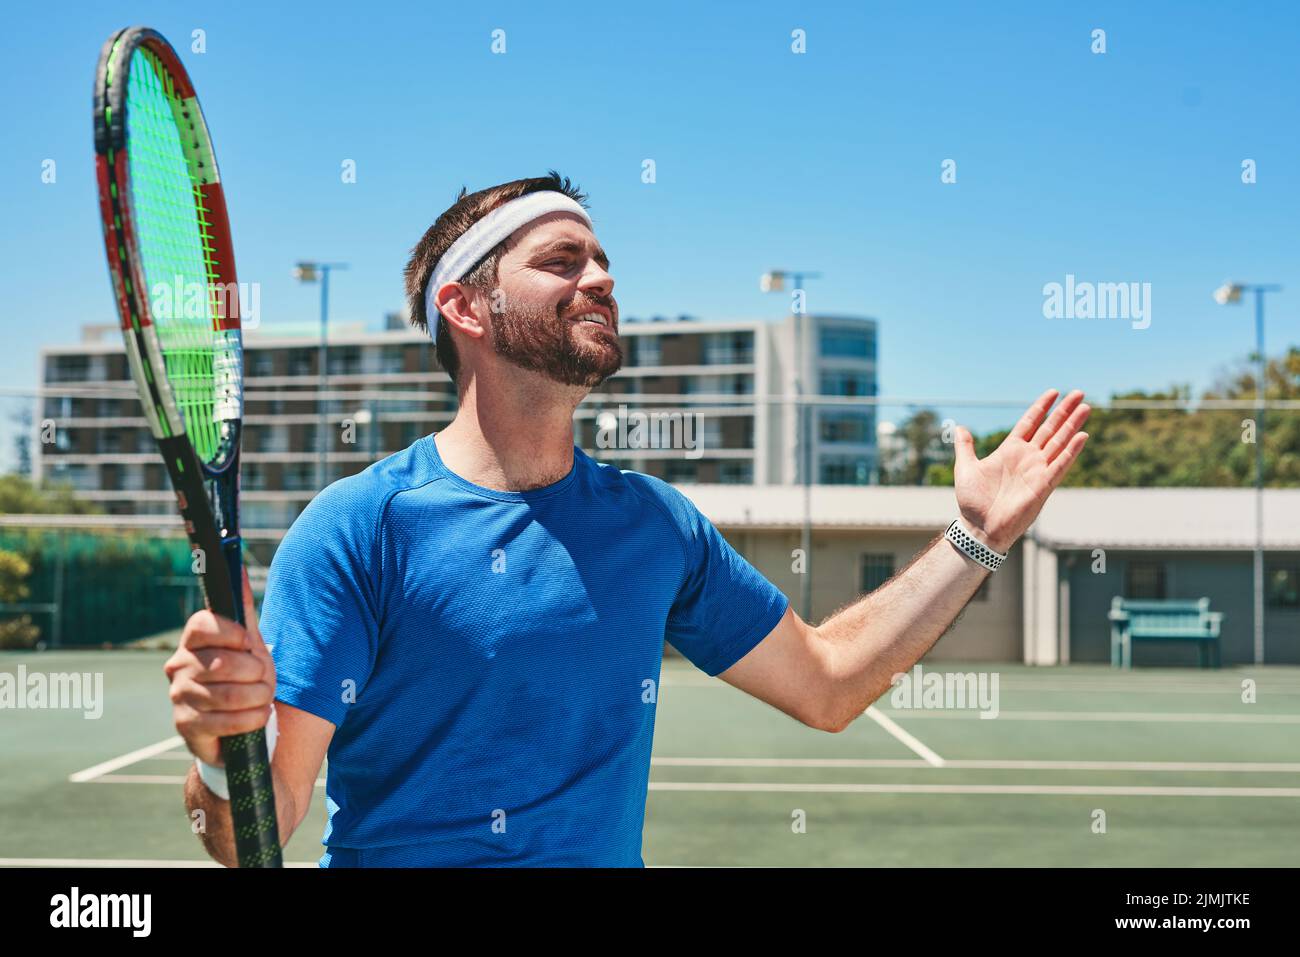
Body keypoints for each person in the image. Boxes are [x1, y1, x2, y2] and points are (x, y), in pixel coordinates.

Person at [164, 171, 1090, 867]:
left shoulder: (655, 524)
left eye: (603, 258)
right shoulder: (359, 530)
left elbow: (830, 684)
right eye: (561, 261)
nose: (601, 277)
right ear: (463, 305)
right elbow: (260, 831)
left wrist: (977, 538)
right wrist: (217, 756)